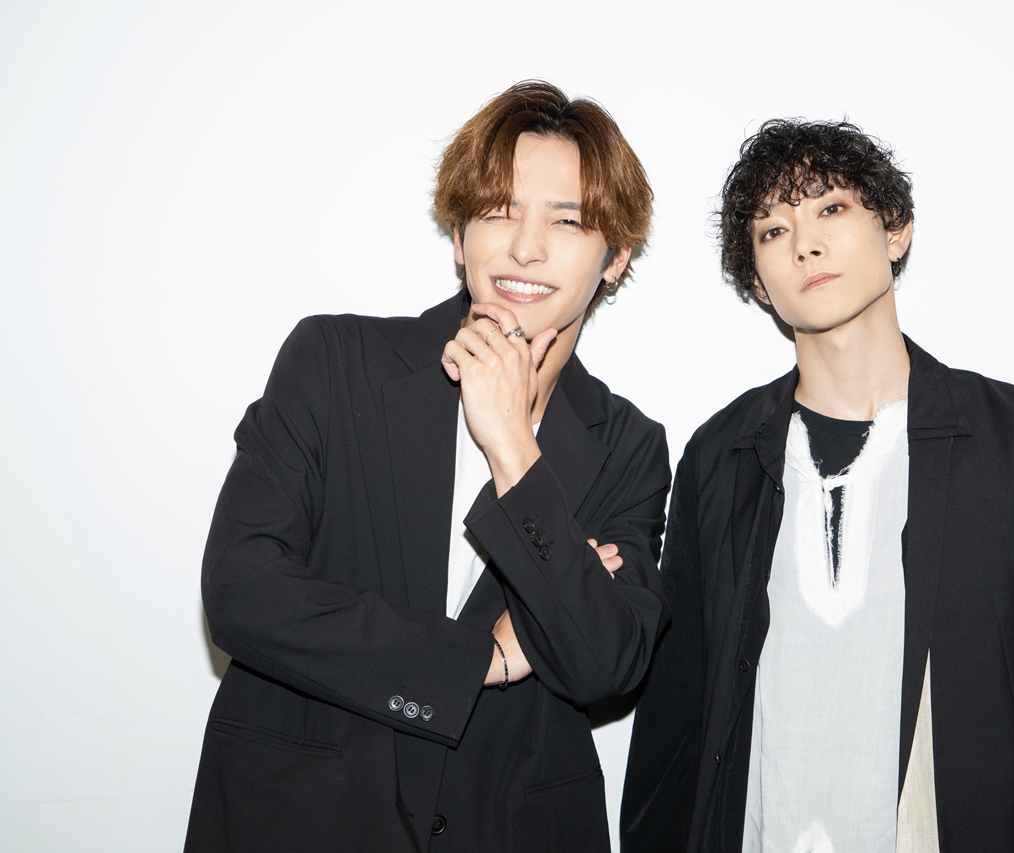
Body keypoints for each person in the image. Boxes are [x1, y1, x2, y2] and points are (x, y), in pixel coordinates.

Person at [185, 80, 670, 853]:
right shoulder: (334, 362)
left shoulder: (628, 445)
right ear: (458, 236)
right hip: (300, 818)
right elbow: (243, 589)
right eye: (499, 210)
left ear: (615, 258)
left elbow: (604, 663)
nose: (525, 247)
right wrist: (481, 659)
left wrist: (513, 449)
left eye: (567, 220)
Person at [621, 120, 1014, 853]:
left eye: (831, 208)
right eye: (773, 230)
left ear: (895, 230)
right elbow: (675, 721)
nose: (805, 244)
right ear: (758, 282)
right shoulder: (721, 455)